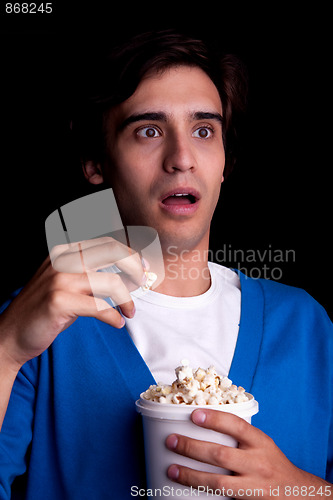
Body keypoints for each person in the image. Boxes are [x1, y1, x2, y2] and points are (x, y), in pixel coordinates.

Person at [0, 30, 332, 499]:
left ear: (224, 162)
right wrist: (8, 347)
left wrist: (305, 491)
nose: (181, 159)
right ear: (97, 162)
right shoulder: (43, 326)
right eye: (148, 131)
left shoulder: (306, 327)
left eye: (203, 130)